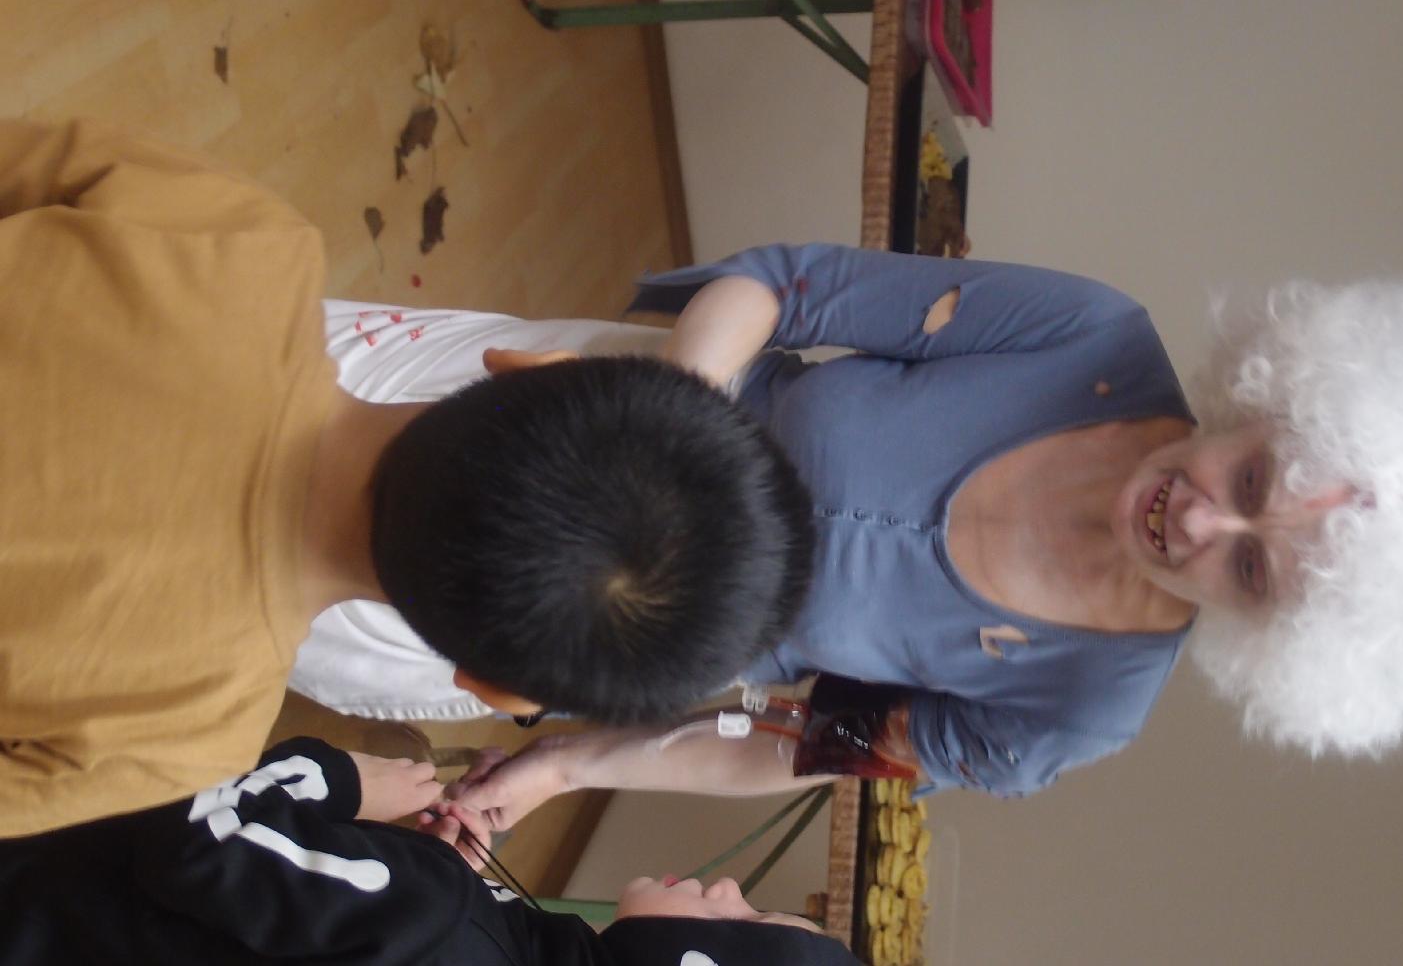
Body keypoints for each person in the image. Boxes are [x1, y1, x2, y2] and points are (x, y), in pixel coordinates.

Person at [293, 243, 1403, 815]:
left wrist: (566, 769)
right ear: (1268, 400)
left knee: (274, 605)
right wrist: (661, 425)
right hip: (575, 413)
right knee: (261, 387)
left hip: (580, 630)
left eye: (1249, 561)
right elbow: (780, 285)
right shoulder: (1089, 336)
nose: (1200, 514)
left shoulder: (1076, 713)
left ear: (1269, 630)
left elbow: (785, 750)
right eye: (1255, 471)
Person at [0, 120, 813, 838]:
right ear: (493, 691)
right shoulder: (186, 734)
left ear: (530, 364)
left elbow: (32, 159)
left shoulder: (252, 249)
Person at [0, 735, 858, 965]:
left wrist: (340, 780)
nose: (730, 889)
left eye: (753, 919)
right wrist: (429, 874)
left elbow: (192, 832)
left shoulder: (432, 916)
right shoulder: (451, 919)